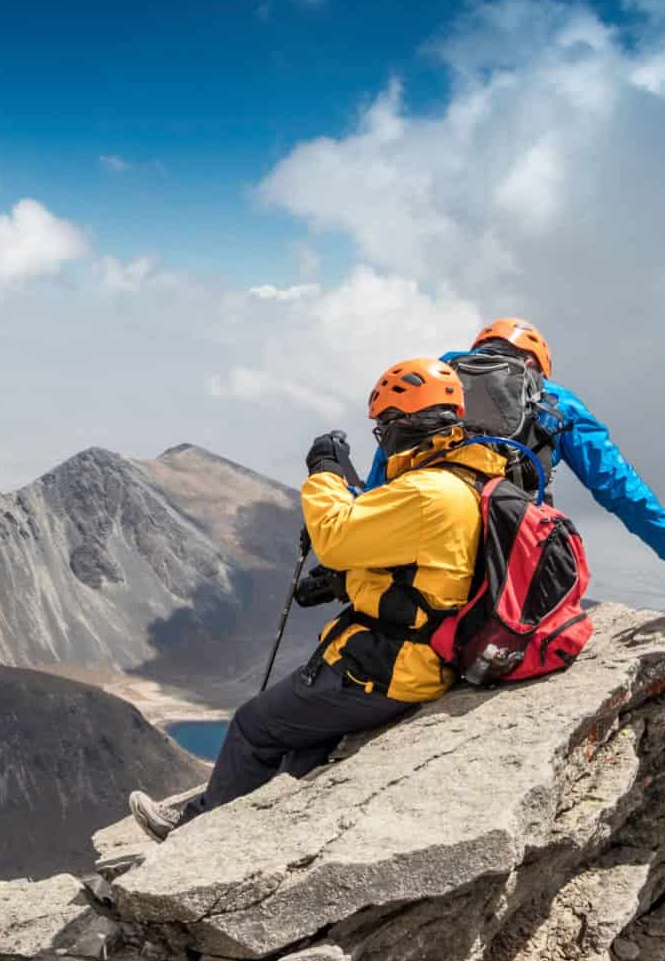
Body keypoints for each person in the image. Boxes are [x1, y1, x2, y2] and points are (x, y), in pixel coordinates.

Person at [129, 357, 507, 841]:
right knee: (300, 747)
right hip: (423, 657)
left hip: (387, 667)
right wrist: (343, 585)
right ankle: (255, 829)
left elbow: (332, 535)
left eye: (384, 427)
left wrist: (325, 473)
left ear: (403, 424)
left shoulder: (427, 492)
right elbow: (422, 574)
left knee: (253, 725)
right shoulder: (462, 480)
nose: (382, 439)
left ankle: (194, 836)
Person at [360, 318, 665, 574]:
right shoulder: (553, 401)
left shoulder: (432, 389)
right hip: (502, 549)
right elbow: (618, 486)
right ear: (535, 363)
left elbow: (383, 473)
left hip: (412, 536)